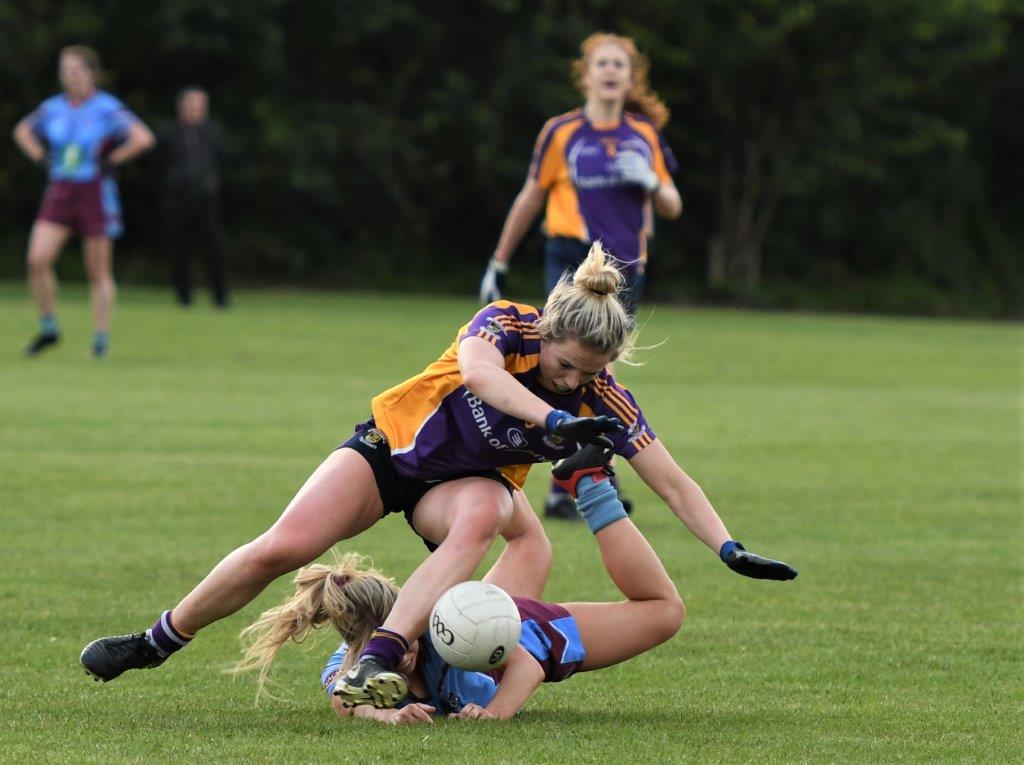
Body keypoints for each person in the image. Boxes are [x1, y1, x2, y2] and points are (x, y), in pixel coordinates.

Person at [80, 243, 793, 709]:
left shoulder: (598, 397)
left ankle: (382, 656)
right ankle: (154, 641)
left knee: (488, 506)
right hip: (390, 453)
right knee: (281, 548)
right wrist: (550, 424)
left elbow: (673, 480)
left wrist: (727, 548)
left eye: (590, 372)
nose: (574, 380)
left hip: (456, 492)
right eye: (567, 365)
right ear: (546, 330)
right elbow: (483, 379)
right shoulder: (506, 325)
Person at [233, 443, 792, 722]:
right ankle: (525, 467)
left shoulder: (445, 631)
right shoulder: (356, 666)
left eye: (402, 647)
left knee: (664, 611)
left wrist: (496, 713)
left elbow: (525, 665)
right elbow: (343, 702)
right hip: (496, 618)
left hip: (533, 638)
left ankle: (583, 484)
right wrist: (387, 713)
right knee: (533, 544)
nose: (398, 662)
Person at [478, 32, 682, 519]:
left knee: (600, 373)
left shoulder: (644, 135)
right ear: (586, 73)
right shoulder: (561, 132)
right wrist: (499, 260)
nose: (611, 71)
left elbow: (673, 204)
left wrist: (652, 182)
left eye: (620, 65)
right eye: (602, 63)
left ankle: (580, 475)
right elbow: (531, 194)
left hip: (626, 267)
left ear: (631, 78)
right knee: (561, 361)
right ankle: (559, 474)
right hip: (571, 259)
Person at [13, 45, 155, 358]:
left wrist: (113, 159)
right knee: (37, 259)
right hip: (61, 189)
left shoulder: (107, 108)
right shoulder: (53, 108)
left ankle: (100, 339)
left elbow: (143, 137)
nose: (71, 77)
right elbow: (22, 131)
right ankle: (49, 326)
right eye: (66, 71)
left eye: (77, 70)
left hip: (95, 192)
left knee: (98, 271)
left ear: (92, 74)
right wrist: (41, 157)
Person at [157, 85, 230, 308]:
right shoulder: (168, 133)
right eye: (192, 105)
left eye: (200, 106)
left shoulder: (213, 133)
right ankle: (183, 297)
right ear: (181, 107)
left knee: (215, 248)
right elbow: (158, 165)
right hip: (177, 199)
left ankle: (220, 298)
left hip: (206, 200)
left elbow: (223, 163)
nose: (196, 110)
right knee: (179, 249)